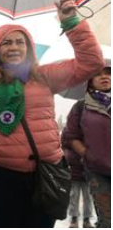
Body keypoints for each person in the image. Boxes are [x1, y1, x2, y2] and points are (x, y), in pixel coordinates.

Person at [0, 0, 104, 228]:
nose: (15, 47)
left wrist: (71, 22)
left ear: (28, 46)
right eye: (6, 43)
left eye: (20, 41)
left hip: (45, 174)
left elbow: (92, 63)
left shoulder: (44, 75)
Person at [63, 65, 111, 228]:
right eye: (98, 74)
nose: (105, 77)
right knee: (107, 220)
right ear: (90, 82)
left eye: (109, 74)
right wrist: (87, 154)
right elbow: (70, 136)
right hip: (97, 171)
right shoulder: (80, 107)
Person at [64, 128, 95, 229]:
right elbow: (64, 145)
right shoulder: (68, 130)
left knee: (88, 197)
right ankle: (74, 218)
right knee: (74, 195)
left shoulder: (90, 129)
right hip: (73, 170)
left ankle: (87, 220)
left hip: (88, 171)